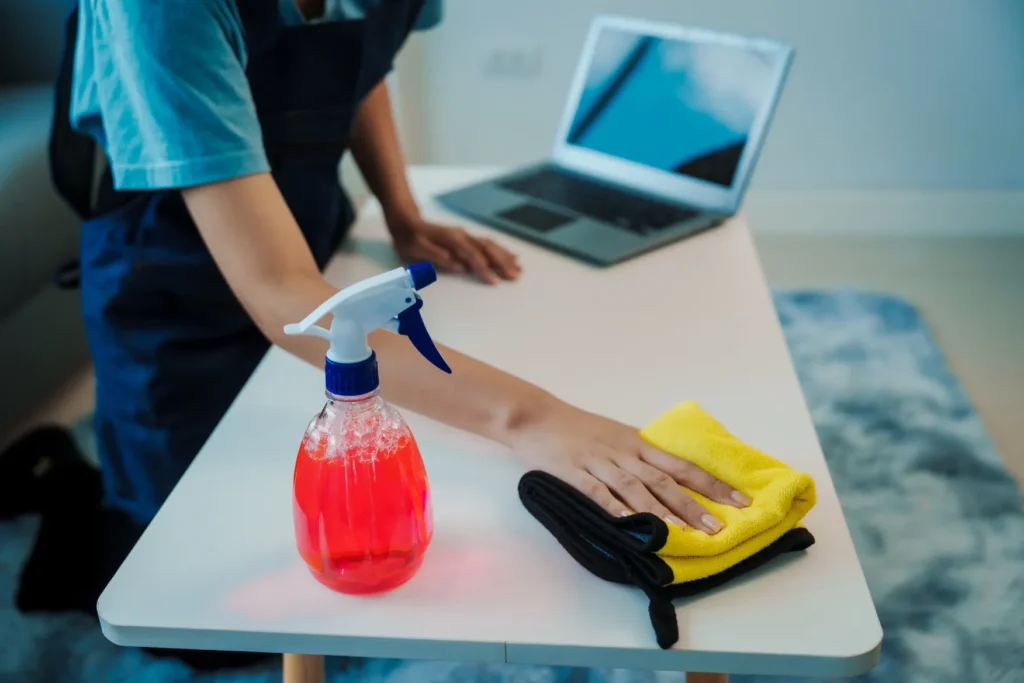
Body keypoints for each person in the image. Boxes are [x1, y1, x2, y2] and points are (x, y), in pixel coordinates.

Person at [4, 0, 751, 670]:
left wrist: (402, 213)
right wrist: (535, 417)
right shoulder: (161, 9)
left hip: (312, 248)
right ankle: (64, 484)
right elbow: (279, 289)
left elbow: (354, 66)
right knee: (197, 614)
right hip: (171, 295)